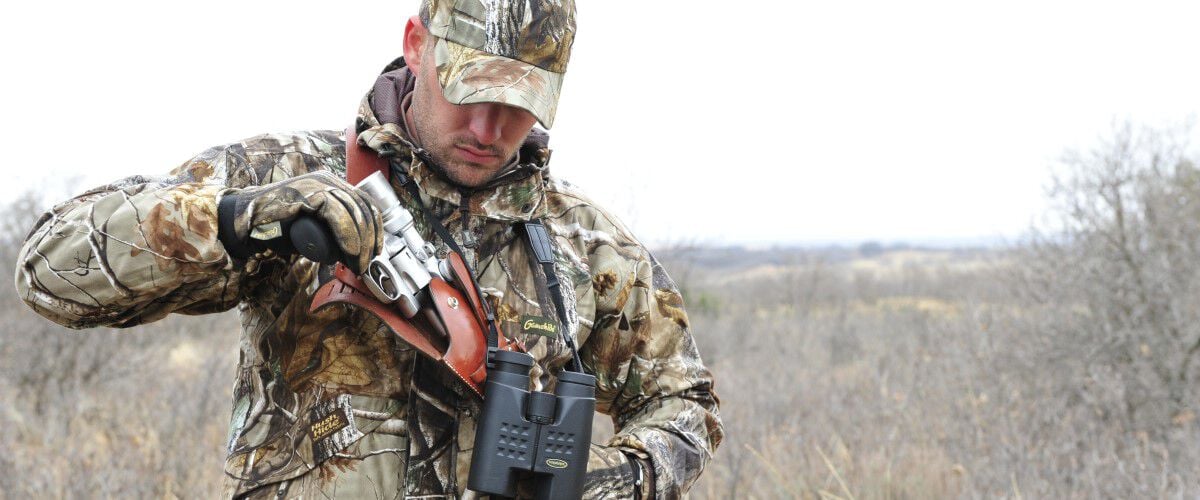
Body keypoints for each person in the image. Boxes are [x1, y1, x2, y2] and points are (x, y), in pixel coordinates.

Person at [14, 1, 723, 498]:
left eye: (519, 101)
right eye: (468, 87)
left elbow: (686, 402)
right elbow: (51, 272)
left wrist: (626, 476)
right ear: (417, 43)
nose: (486, 124)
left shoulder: (582, 242)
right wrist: (239, 219)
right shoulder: (292, 176)